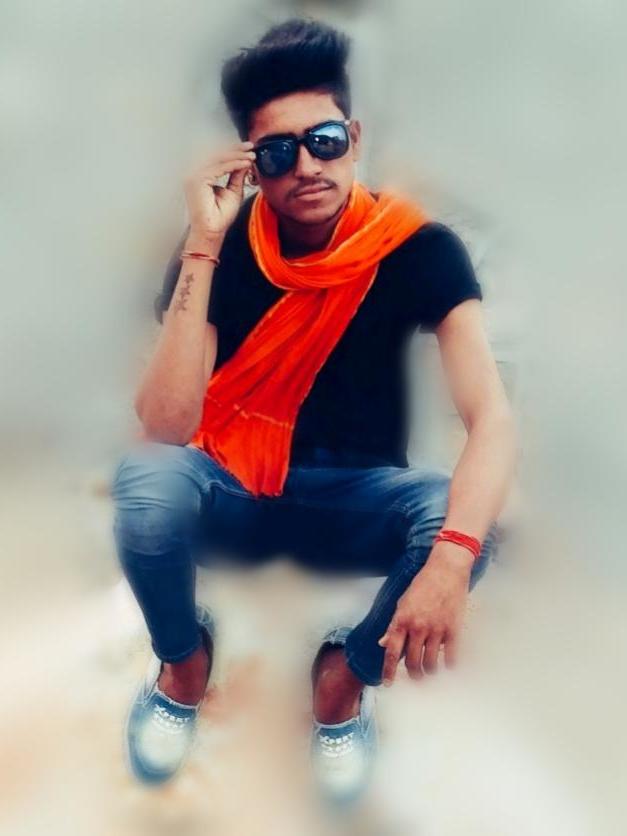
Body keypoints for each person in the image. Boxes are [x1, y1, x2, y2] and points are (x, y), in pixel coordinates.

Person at [111, 17, 517, 802]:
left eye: (323, 140)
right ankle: (183, 666)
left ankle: (342, 681)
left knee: (464, 526)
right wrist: (201, 244)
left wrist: (450, 560)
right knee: (145, 480)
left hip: (358, 497)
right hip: (234, 487)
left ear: (352, 138)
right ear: (252, 166)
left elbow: (491, 420)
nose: (305, 166)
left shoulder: (418, 248)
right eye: (277, 152)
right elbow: (163, 428)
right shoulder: (222, 245)